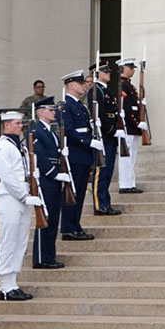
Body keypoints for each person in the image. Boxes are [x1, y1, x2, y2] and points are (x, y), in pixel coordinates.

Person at [0, 110, 41, 301]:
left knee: (20, 243)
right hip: (10, 198)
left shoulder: (20, 147)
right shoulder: (2, 148)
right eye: (17, 124)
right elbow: (8, 177)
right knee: (9, 241)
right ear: (7, 126)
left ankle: (12, 282)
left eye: (21, 124)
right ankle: (4, 286)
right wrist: (23, 196)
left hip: (23, 196)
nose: (21, 127)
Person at [61, 71, 103, 241]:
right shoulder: (66, 105)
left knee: (79, 193)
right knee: (72, 193)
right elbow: (69, 131)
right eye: (80, 83)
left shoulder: (80, 105)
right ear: (71, 86)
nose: (84, 85)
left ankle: (75, 225)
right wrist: (87, 142)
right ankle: (68, 227)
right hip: (75, 155)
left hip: (83, 155)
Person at [31, 97, 70, 267]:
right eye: (50, 110)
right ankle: (41, 258)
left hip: (53, 180)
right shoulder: (37, 131)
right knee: (45, 220)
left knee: (53, 219)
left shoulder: (50, 131)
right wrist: (54, 174)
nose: (54, 112)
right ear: (40, 112)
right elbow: (39, 156)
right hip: (46, 181)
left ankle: (49, 256)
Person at [89, 62, 123, 213]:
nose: (109, 73)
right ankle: (99, 205)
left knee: (108, 172)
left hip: (110, 137)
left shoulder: (105, 90)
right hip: (103, 136)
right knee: (100, 172)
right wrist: (111, 130)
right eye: (105, 71)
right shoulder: (96, 91)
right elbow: (99, 114)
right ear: (98, 74)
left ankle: (105, 203)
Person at [117, 58, 147, 193]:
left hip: (132, 127)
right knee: (126, 157)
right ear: (124, 68)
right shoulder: (122, 85)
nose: (133, 70)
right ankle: (125, 184)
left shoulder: (129, 86)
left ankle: (130, 183)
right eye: (131, 68)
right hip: (127, 126)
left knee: (132, 156)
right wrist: (137, 122)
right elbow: (126, 108)